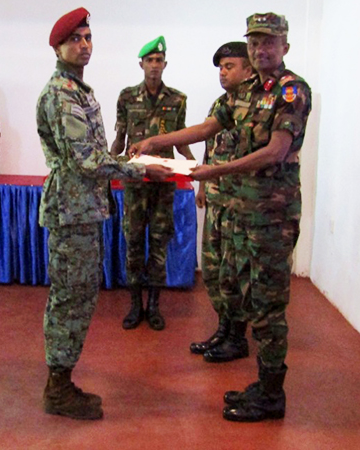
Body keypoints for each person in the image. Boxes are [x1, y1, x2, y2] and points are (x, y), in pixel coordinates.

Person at [131, 12, 312, 422]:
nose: (260, 50)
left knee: (268, 305)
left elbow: (275, 151)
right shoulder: (245, 91)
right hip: (242, 213)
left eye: (268, 42)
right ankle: (263, 383)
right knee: (245, 294)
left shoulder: (291, 90)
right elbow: (208, 127)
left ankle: (272, 394)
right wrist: (157, 140)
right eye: (254, 43)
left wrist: (214, 172)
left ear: (285, 46)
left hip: (271, 216)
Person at [37, 7, 172, 421]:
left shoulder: (79, 90)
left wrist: (130, 159)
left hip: (84, 209)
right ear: (58, 48)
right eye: (74, 39)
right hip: (71, 211)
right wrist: (138, 169)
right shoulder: (62, 94)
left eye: (88, 37)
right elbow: (85, 159)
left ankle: (61, 380)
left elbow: (94, 153)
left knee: (80, 296)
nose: (84, 45)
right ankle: (58, 388)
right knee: (70, 298)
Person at [110, 36, 195, 331]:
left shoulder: (177, 100)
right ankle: (135, 305)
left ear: (165, 64)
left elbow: (181, 140)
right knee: (133, 242)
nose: (155, 65)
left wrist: (194, 166)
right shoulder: (126, 97)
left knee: (159, 243)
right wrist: (107, 167)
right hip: (135, 183)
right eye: (150, 60)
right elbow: (120, 140)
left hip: (163, 184)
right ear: (141, 64)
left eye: (159, 60)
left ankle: (155, 306)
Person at [189, 42, 253, 363]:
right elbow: (209, 143)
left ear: (248, 69)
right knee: (213, 270)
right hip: (216, 199)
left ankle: (237, 337)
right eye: (220, 68)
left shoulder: (254, 107)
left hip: (239, 204)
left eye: (229, 66)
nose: (223, 73)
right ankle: (224, 329)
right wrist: (202, 184)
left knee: (234, 273)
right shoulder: (221, 104)